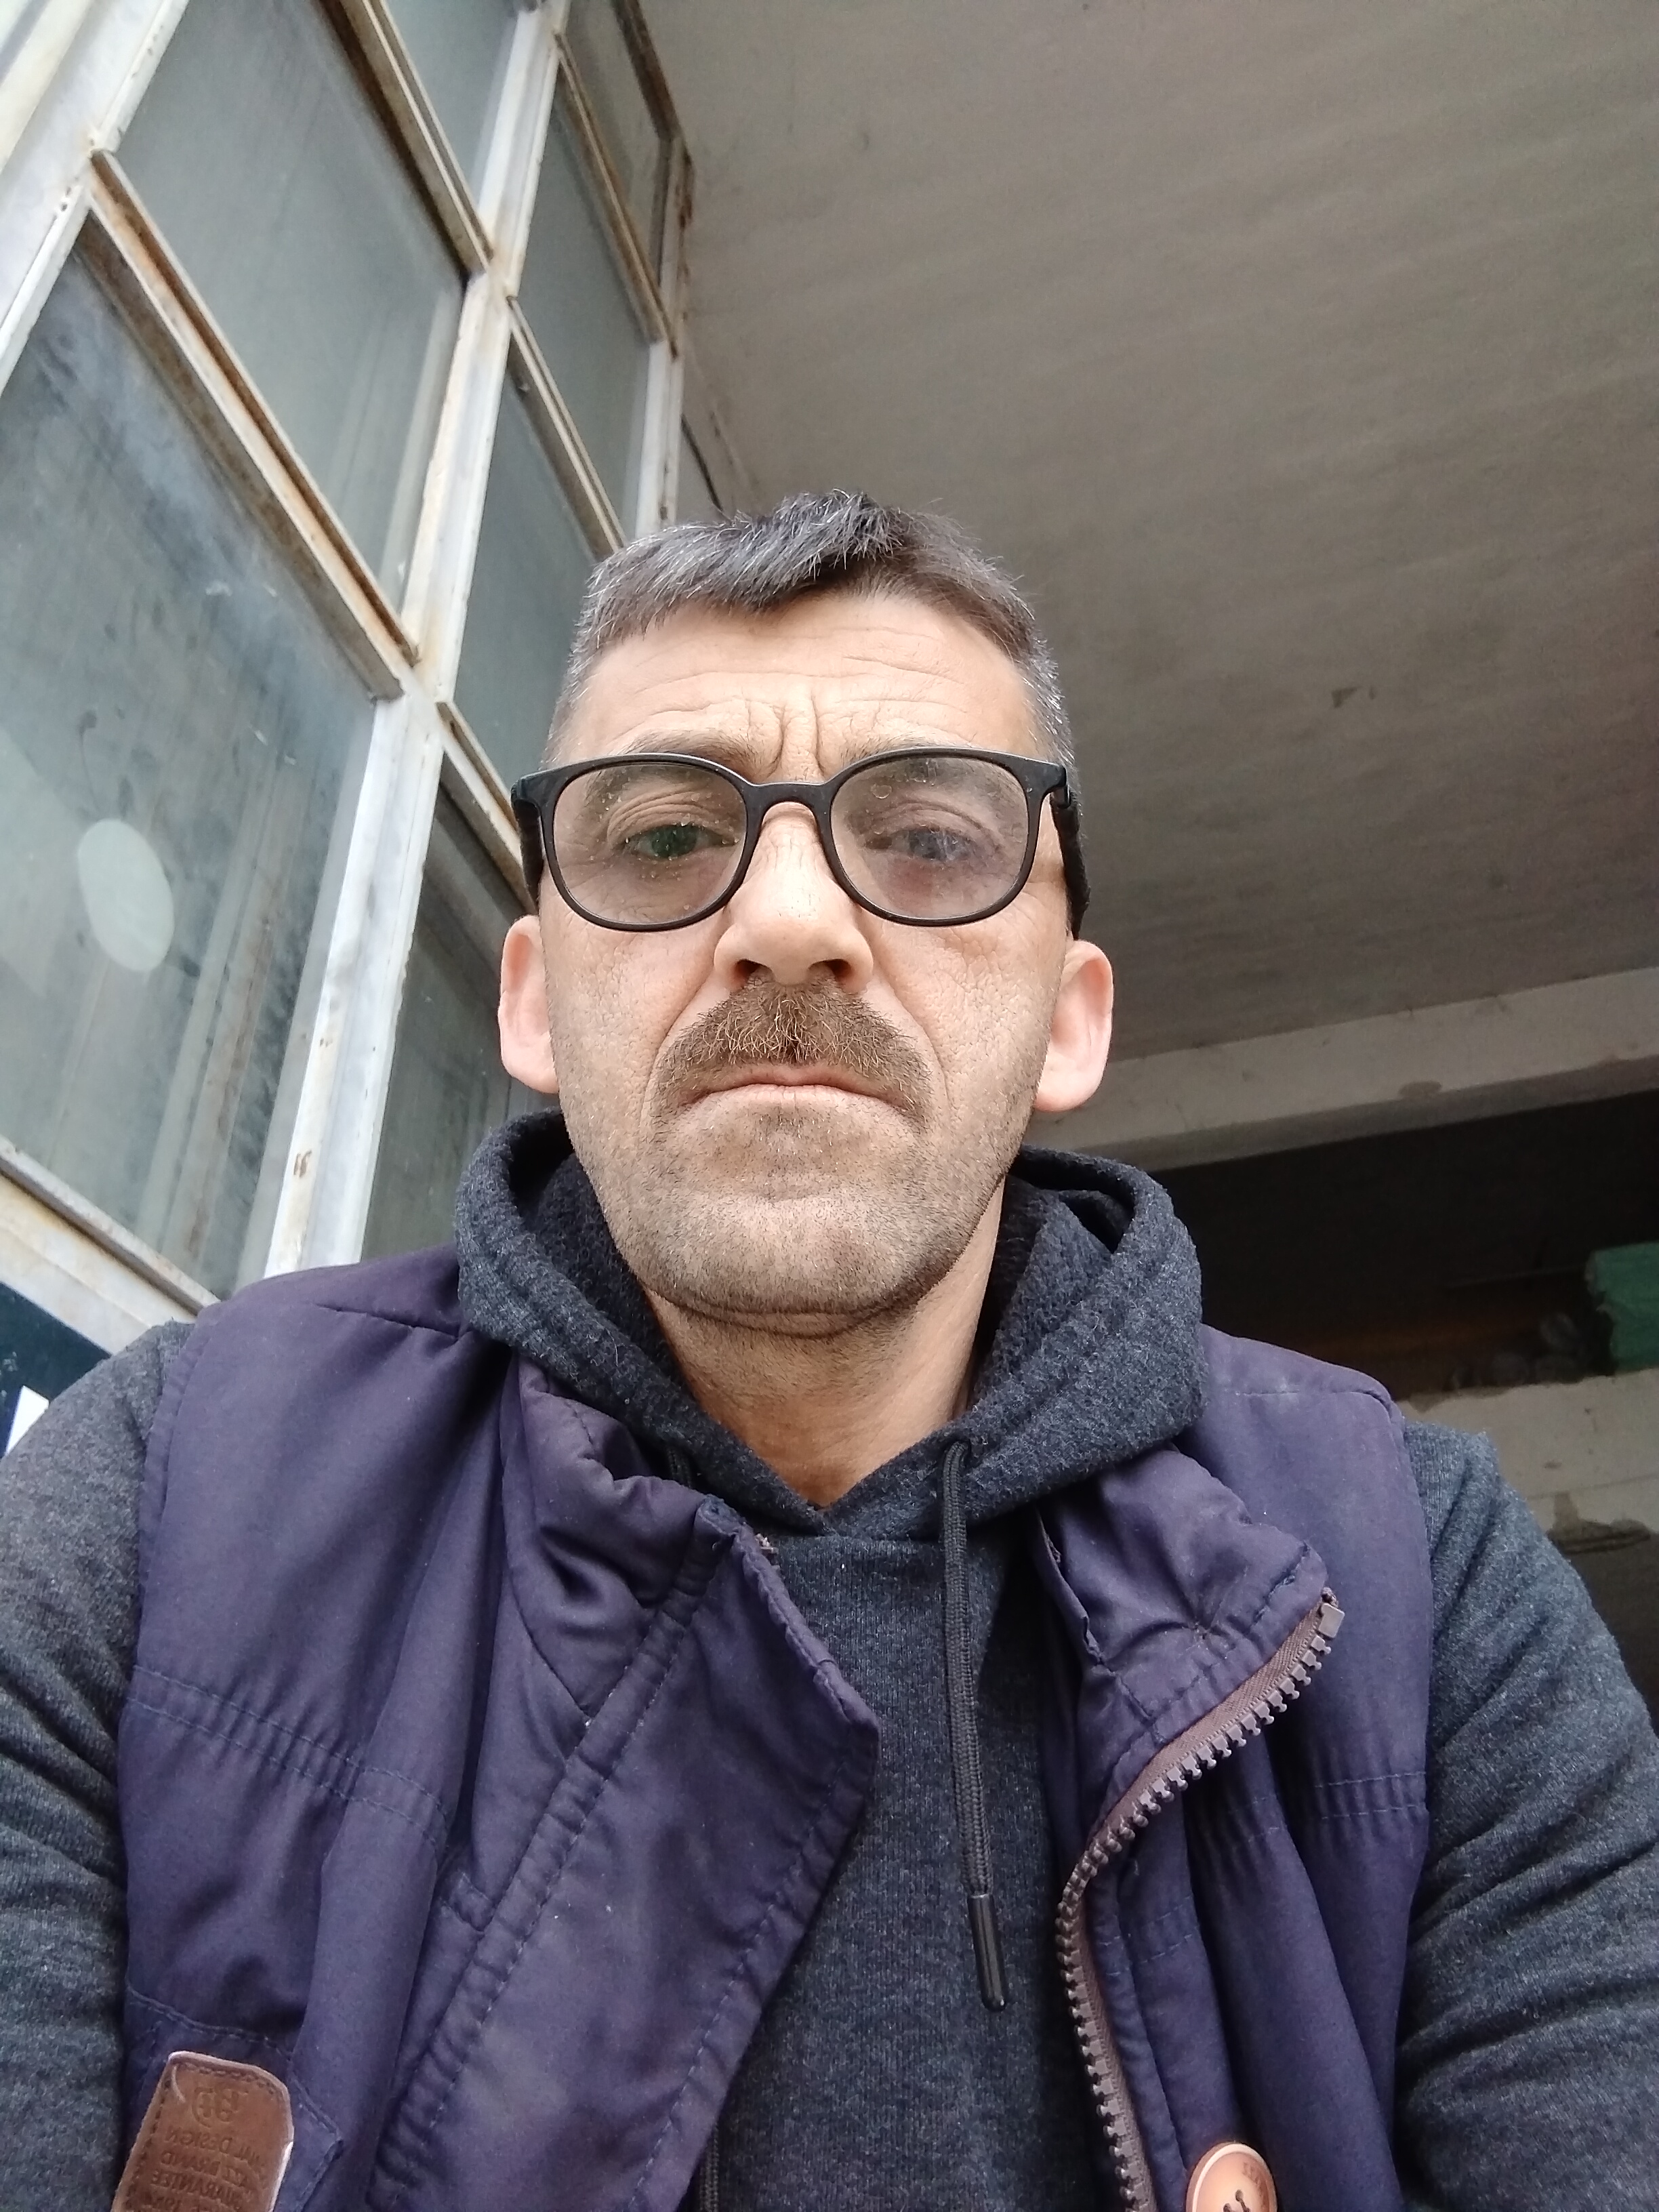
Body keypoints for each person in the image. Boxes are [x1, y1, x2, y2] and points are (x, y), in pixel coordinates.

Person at [1, 493, 1656, 2212]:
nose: (790, 919)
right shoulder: (165, 1498)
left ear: (1070, 1018)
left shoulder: (1416, 1582)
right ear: (533, 1001)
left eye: (930, 837)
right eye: (663, 837)